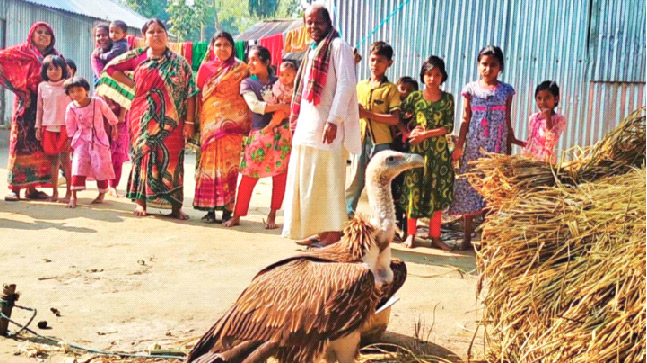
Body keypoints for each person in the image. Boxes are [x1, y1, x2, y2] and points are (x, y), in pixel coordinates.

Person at [282, 5, 361, 246]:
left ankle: (332, 236)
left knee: (328, 183)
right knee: (310, 183)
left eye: (319, 22)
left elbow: (347, 85)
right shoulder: (312, 50)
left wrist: (333, 121)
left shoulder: (339, 47)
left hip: (328, 130)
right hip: (307, 128)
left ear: (329, 22)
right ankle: (317, 230)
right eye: (309, 22)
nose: (313, 27)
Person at [105, 18, 197, 219]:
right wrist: (132, 85)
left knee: (172, 160)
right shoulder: (138, 58)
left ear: (166, 35)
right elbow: (111, 69)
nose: (156, 35)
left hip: (173, 121)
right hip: (142, 117)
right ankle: (141, 202)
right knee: (144, 156)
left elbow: (191, 93)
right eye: (151, 32)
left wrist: (190, 123)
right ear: (144, 37)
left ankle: (175, 207)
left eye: (160, 31)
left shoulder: (180, 62)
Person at [449, 45, 523, 250]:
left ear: (500, 67)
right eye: (484, 64)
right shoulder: (470, 89)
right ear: (478, 65)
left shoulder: (506, 90)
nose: (488, 69)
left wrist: (508, 148)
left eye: (493, 65)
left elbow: (507, 120)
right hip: (474, 147)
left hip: (496, 148)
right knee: (470, 187)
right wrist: (460, 146)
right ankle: (466, 237)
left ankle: (486, 238)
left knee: (492, 190)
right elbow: (465, 119)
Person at [224, 46, 292, 229]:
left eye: (255, 59)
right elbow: (254, 106)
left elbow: (294, 101)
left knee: (280, 176)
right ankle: (237, 214)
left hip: (282, 134)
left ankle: (272, 215)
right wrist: (282, 109)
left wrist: (285, 110)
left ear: (267, 62)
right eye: (249, 59)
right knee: (249, 175)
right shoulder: (247, 83)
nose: (250, 63)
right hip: (260, 134)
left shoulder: (282, 80)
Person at [192, 32, 251, 224]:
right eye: (218, 45)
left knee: (229, 167)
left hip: (232, 126)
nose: (222, 48)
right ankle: (209, 209)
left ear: (233, 47)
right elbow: (198, 94)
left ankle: (227, 210)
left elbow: (247, 93)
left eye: (226, 44)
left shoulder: (241, 68)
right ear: (212, 47)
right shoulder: (205, 68)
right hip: (209, 124)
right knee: (208, 164)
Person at [0, 22, 62, 201]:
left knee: (41, 146)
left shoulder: (56, 57)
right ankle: (15, 189)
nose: (43, 36)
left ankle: (33, 189)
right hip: (26, 105)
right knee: (20, 144)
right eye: (39, 32)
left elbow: (66, 75)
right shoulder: (21, 52)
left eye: (47, 33)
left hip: (48, 107)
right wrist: (17, 87)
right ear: (31, 36)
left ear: (52, 38)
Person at [399, 56, 454, 250]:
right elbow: (398, 115)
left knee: (435, 192)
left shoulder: (448, 99)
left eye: (437, 74)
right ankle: (411, 234)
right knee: (414, 189)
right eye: (428, 74)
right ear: (423, 76)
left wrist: (426, 134)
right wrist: (407, 132)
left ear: (443, 77)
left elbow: (448, 127)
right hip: (417, 152)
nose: (432, 78)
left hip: (438, 154)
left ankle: (436, 236)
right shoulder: (414, 98)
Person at [345, 41, 400, 218]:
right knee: (355, 180)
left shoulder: (390, 90)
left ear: (389, 64)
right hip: (360, 139)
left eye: (380, 61)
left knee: (380, 183)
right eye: (373, 60)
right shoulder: (360, 86)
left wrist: (367, 113)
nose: (375, 64)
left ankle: (383, 220)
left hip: (382, 142)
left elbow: (394, 119)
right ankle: (346, 216)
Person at [64, 77, 118, 208]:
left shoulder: (97, 102)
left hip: (99, 139)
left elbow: (110, 115)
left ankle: (101, 194)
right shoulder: (70, 107)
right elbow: (70, 125)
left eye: (79, 90)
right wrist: (70, 140)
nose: (76, 94)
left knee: (101, 165)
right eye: (72, 92)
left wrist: (114, 128)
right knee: (78, 164)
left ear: (86, 90)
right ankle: (73, 196)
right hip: (81, 139)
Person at [90, 23, 130, 198]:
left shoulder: (121, 53)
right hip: (102, 102)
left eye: (105, 34)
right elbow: (103, 75)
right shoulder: (96, 55)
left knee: (118, 147)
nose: (102, 38)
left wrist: (121, 109)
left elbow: (127, 74)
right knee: (102, 145)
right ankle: (103, 184)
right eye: (98, 35)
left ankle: (114, 185)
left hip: (122, 102)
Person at [35, 55, 72, 203]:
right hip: (48, 127)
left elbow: (75, 108)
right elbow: (40, 109)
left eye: (57, 68)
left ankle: (69, 193)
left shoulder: (69, 85)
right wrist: (38, 127)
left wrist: (74, 130)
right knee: (53, 162)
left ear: (63, 69)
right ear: (45, 71)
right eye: (50, 69)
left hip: (66, 127)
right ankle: (55, 193)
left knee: (66, 161)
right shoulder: (42, 86)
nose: (54, 72)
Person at [391, 76, 418, 238]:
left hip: (409, 156)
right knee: (394, 190)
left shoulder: (417, 113)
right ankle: (396, 226)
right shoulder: (394, 111)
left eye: (410, 90)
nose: (406, 93)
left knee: (407, 191)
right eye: (403, 89)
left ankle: (408, 227)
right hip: (395, 154)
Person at [520, 81, 566, 163]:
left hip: (544, 162)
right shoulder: (533, 118)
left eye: (547, 98)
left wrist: (548, 117)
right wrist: (516, 141)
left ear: (556, 99)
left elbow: (550, 142)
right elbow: (532, 142)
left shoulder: (559, 120)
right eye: (539, 98)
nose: (542, 102)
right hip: (529, 160)